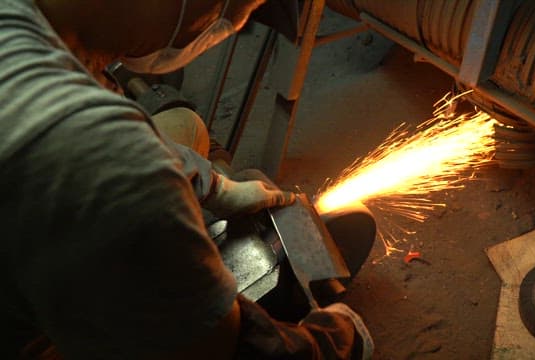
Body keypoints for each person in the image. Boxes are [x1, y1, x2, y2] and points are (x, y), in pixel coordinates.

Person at [0, 0, 373, 359]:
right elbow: (225, 350)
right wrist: (339, 339)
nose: (229, 25)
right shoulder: (98, 154)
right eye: (233, 10)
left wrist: (215, 185)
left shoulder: (33, 26)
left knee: (183, 128)